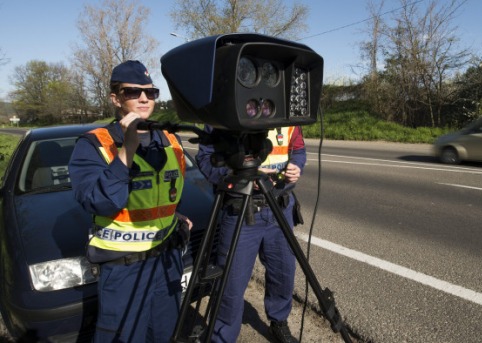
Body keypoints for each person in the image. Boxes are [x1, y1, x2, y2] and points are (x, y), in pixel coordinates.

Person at [68, 60, 193, 342]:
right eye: (132, 92)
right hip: (124, 270)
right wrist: (128, 149)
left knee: (167, 334)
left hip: (167, 261)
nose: (144, 98)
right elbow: (101, 202)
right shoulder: (94, 144)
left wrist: (175, 216)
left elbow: (166, 193)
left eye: (151, 92)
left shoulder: (171, 139)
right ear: (115, 98)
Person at [196, 126, 306, 343]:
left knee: (283, 272)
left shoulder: (287, 116)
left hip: (279, 207)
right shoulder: (223, 114)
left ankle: (279, 321)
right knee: (230, 283)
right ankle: (222, 336)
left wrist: (296, 165)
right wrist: (239, 178)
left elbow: (299, 151)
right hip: (240, 210)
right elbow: (205, 160)